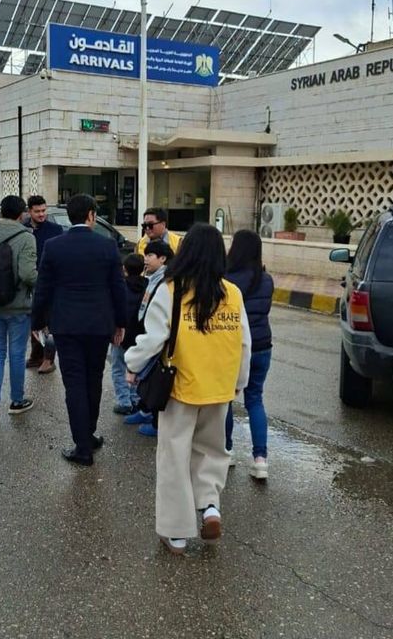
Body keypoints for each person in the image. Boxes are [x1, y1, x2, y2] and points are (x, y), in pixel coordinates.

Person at [125, 223, 251, 555]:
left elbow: (153, 338)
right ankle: (210, 507)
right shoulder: (232, 293)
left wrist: (132, 364)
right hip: (220, 387)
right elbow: (244, 344)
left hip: (181, 386)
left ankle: (177, 533)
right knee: (212, 451)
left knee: (174, 456)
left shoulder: (171, 290)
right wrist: (239, 382)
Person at [32, 193, 127, 466]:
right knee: (93, 380)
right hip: (99, 325)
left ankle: (82, 444)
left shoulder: (53, 246)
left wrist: (37, 323)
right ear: (91, 215)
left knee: (74, 383)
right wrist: (121, 323)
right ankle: (88, 435)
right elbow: (118, 288)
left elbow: (43, 288)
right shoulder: (107, 246)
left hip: (66, 325)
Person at [0, 195, 37, 428]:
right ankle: (16, 401)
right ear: (21, 214)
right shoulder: (26, 237)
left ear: (1, 212)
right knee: (16, 354)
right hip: (18, 306)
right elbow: (27, 274)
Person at [224, 229, 274, 479]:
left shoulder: (225, 279)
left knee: (226, 400)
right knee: (255, 399)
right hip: (263, 344)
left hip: (234, 346)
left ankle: (227, 451)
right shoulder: (266, 280)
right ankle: (260, 460)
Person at [123, 239, 174, 438]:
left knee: (156, 378)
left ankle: (155, 420)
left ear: (163, 259)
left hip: (160, 337)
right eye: (145, 255)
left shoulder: (166, 281)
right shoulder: (152, 278)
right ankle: (145, 410)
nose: (146, 259)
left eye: (150, 255)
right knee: (148, 377)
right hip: (145, 328)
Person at [24, 195, 64, 371]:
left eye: (43, 210)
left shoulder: (55, 229)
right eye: (37, 211)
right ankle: (36, 356)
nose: (41, 214)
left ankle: (49, 359)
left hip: (49, 282)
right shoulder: (23, 229)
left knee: (48, 322)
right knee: (34, 319)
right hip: (28, 280)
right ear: (29, 211)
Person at [111, 253, 146, 415]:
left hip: (122, 333)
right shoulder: (148, 286)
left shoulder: (120, 286)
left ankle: (123, 401)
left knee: (118, 368)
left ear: (124, 269)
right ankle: (135, 398)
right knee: (137, 367)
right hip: (140, 334)